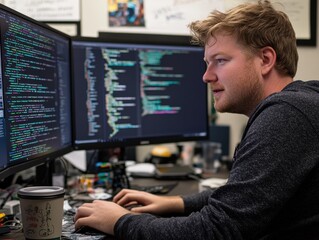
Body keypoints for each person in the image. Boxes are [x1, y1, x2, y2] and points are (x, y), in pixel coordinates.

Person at [74, 1, 319, 239]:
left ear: (265, 60)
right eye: (206, 63)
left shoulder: (286, 115)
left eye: (220, 61)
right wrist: (175, 202)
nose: (206, 76)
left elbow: (215, 230)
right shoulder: (299, 103)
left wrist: (120, 221)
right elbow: (243, 193)